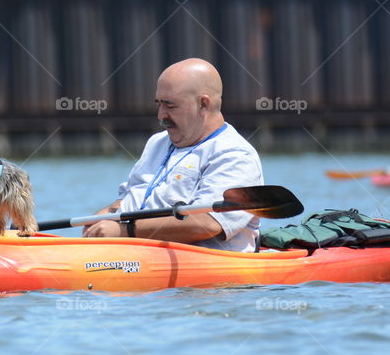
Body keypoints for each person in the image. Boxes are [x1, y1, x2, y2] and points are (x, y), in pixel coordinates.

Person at [82, 58, 263, 252]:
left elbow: (208, 223)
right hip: (137, 253)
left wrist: (125, 230)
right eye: (159, 104)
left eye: (170, 105)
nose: (161, 115)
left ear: (203, 104)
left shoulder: (235, 154)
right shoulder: (157, 143)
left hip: (206, 263)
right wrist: (105, 215)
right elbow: (129, 198)